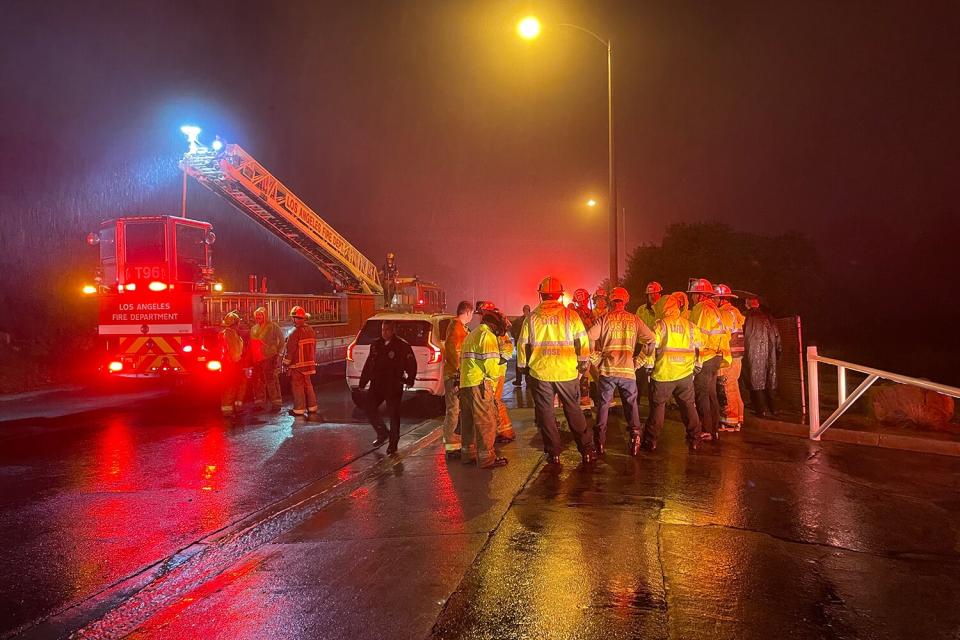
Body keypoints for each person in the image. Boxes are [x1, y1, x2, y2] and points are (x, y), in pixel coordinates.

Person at [518, 276, 597, 466]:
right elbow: (583, 342)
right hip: (566, 372)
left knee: (545, 413)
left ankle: (553, 454)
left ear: (542, 296)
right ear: (560, 296)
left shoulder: (531, 318)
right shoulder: (570, 316)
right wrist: (582, 364)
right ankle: (586, 450)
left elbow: (522, 345)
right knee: (573, 410)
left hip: (541, 373)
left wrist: (522, 367)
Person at [588, 287, 655, 456]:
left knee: (603, 406)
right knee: (631, 406)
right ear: (626, 301)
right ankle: (635, 439)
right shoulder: (635, 320)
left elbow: (588, 336)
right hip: (628, 371)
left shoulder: (604, 319)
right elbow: (652, 339)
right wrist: (639, 361)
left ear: (611, 301)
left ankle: (600, 443)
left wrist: (595, 358)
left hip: (607, 370)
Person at [642, 294, 703, 451]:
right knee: (688, 407)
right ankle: (695, 438)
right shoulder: (690, 326)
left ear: (663, 307)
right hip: (685, 374)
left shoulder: (660, 325)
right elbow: (699, 348)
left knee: (658, 407)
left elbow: (650, 347)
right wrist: (697, 365)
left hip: (664, 373)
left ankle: (651, 440)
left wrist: (649, 367)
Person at [458, 309, 510, 469]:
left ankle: (468, 454)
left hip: (466, 384)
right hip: (480, 384)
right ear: (493, 325)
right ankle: (487, 459)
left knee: (468, 422)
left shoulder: (472, 334)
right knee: (485, 422)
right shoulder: (487, 336)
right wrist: (499, 367)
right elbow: (491, 367)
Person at [358, 320, 417, 453]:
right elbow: (369, 364)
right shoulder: (376, 344)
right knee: (369, 408)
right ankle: (382, 433)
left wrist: (410, 379)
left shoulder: (402, 345)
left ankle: (393, 443)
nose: (385, 333)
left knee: (393, 414)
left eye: (388, 330)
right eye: (383, 330)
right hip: (377, 383)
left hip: (393, 384)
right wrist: (363, 382)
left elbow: (411, 363)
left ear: (393, 330)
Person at [688, 278, 727, 441]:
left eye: (693, 294)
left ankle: (706, 429)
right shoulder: (714, 308)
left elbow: (697, 336)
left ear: (700, 295)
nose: (691, 298)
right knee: (711, 393)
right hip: (716, 356)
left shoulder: (702, 309)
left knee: (701, 392)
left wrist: (694, 358)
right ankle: (714, 429)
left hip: (706, 356)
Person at [476, 301, 517, 443]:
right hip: (493, 370)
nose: (479, 317)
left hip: (496, 372)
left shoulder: (497, 327)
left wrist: (500, 361)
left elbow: (507, 347)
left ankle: (505, 432)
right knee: (493, 401)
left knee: (495, 401)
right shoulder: (492, 326)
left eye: (480, 314)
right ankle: (502, 430)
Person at [441, 301, 473, 458]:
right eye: (471, 314)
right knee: (453, 410)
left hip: (457, 375)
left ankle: (455, 442)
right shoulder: (456, 328)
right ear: (467, 312)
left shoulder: (459, 328)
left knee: (457, 410)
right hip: (454, 375)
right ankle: (451, 446)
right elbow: (453, 351)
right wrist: (459, 372)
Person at [743, 296, 781, 418]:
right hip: (770, 356)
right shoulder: (768, 317)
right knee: (769, 381)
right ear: (758, 304)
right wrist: (778, 352)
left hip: (751, 355)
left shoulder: (746, 317)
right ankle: (774, 409)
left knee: (755, 382)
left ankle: (760, 410)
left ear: (747, 304)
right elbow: (777, 337)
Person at [714, 284, 746, 431]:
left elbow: (723, 335)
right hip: (737, 356)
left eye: (714, 298)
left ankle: (730, 421)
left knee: (727, 386)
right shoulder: (734, 312)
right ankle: (738, 417)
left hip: (729, 355)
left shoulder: (725, 313)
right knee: (733, 385)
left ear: (721, 298)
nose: (712, 301)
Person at [283, 306, 319, 419]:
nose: (294, 320)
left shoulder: (295, 332)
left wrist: (285, 363)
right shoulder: (310, 330)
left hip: (297, 365)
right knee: (308, 385)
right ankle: (312, 407)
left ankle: (299, 409)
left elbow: (290, 350)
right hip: (309, 364)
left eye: (294, 318)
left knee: (297, 386)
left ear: (295, 318)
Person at [249, 306, 284, 413]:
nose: (258, 317)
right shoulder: (253, 328)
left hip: (270, 357)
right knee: (258, 381)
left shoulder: (273, 327)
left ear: (265, 316)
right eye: (257, 315)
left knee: (271, 380)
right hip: (257, 358)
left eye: (260, 315)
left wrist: (278, 354)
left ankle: (276, 403)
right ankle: (259, 403)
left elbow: (281, 340)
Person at [219, 310, 246, 416]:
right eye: (238, 323)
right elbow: (234, 351)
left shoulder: (226, 333)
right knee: (231, 386)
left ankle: (230, 408)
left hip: (227, 363)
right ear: (235, 323)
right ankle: (228, 410)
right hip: (231, 364)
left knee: (230, 385)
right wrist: (238, 362)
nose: (239, 325)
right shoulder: (230, 334)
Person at [571, 288, 594, 407]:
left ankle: (583, 399)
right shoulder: (574, 314)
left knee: (586, 375)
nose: (582, 304)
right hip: (580, 348)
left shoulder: (590, 313)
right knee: (583, 375)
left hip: (587, 348)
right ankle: (583, 400)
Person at [510, 305, 532, 386]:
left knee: (527, 363)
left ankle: (527, 381)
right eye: (525, 309)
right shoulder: (530, 320)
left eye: (527, 309)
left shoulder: (530, 320)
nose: (526, 311)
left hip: (528, 345)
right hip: (526, 345)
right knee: (521, 363)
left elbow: (512, 330)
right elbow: (512, 330)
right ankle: (520, 380)